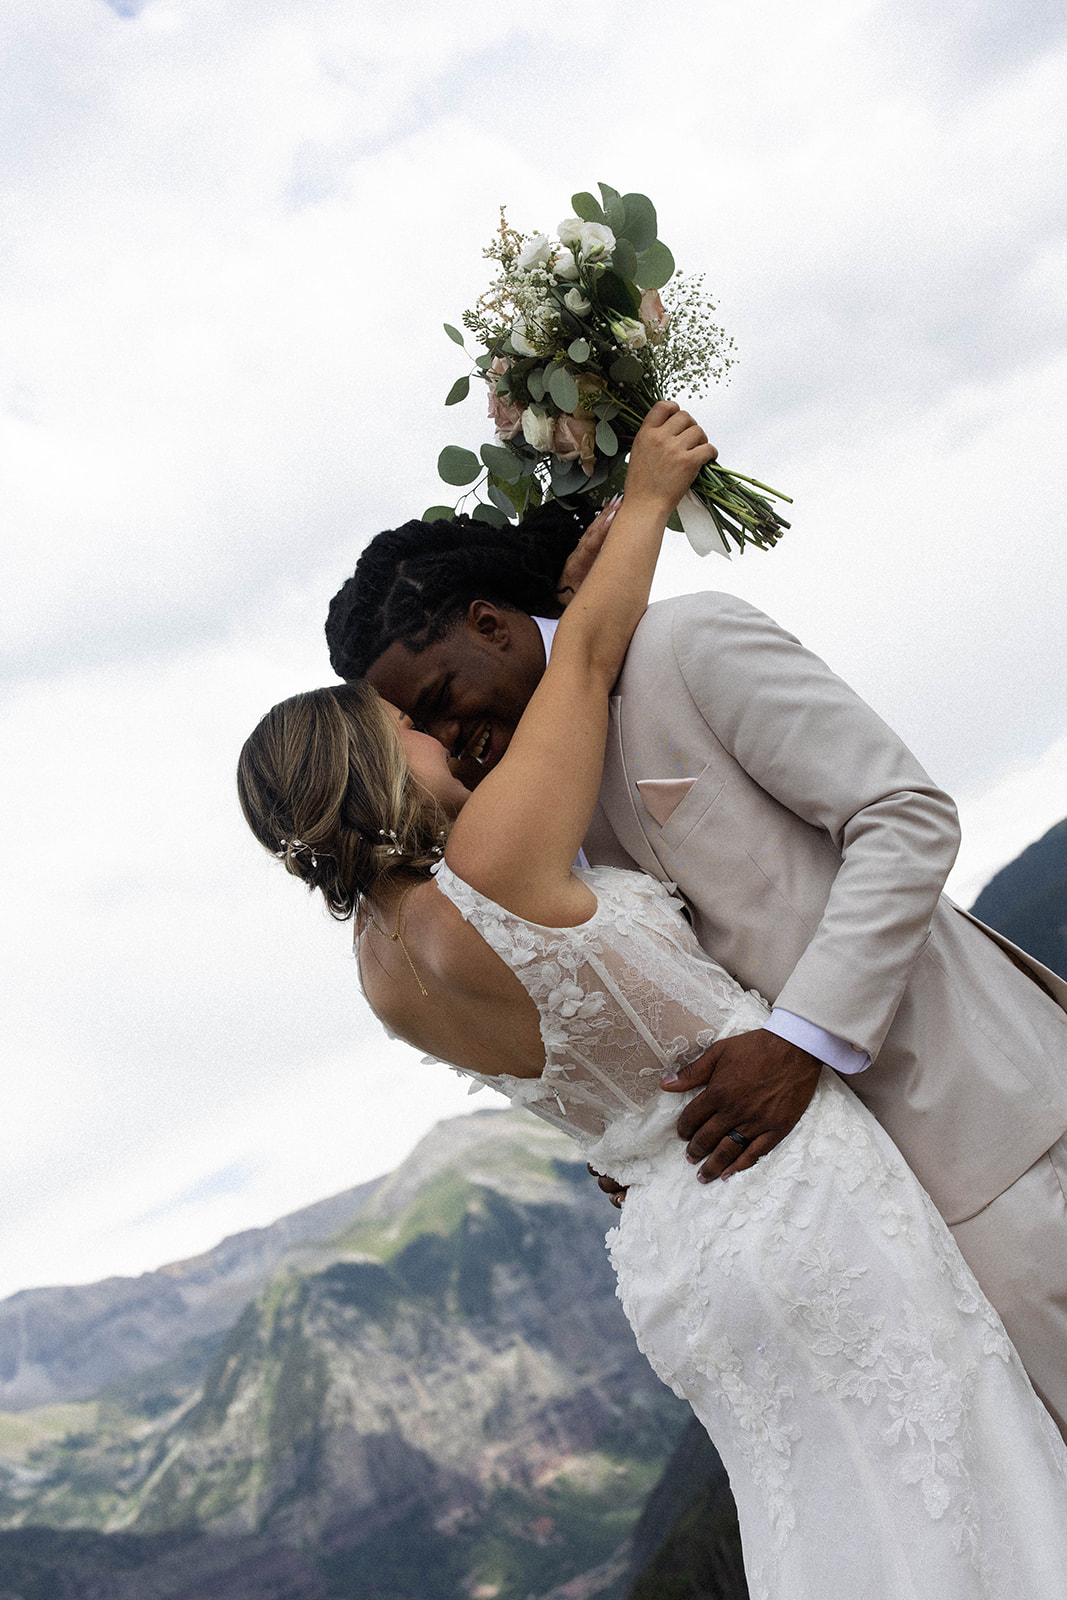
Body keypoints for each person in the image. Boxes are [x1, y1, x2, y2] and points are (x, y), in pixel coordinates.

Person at [241, 405, 1067, 1596]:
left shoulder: (689, 648)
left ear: (487, 620)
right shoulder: (515, 810)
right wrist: (631, 1126)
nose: (440, 734)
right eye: (411, 727)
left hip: (980, 1143)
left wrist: (798, 1040)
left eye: (432, 695)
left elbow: (904, 820)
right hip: (839, 1233)